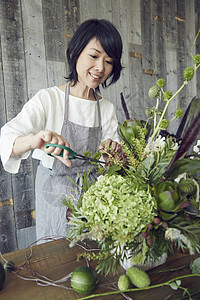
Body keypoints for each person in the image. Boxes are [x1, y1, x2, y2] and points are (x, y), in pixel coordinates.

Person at [0, 19, 123, 241]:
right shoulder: (48, 99)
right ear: (74, 53)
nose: (100, 68)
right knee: (55, 256)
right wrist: (34, 140)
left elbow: (110, 164)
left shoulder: (106, 109)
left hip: (93, 200)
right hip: (54, 198)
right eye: (94, 56)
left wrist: (113, 157)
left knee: (92, 258)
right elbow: (7, 137)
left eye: (109, 61)